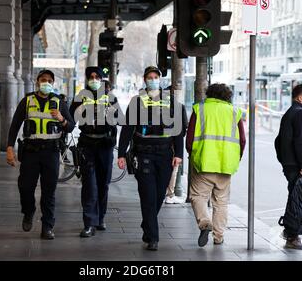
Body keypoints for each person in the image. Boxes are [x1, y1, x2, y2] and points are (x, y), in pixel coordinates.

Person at [118, 66, 187, 251]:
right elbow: (127, 129)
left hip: (165, 154)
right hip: (144, 154)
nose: (153, 80)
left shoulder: (171, 102)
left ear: (160, 79)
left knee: (158, 196)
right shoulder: (136, 101)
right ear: (144, 79)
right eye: (150, 77)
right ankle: (153, 238)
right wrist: (121, 154)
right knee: (148, 195)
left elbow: (178, 132)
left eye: (156, 77)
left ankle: (148, 225)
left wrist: (179, 155)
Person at [6, 69, 75, 240]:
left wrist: (62, 119)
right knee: (25, 187)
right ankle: (28, 211)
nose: (46, 83)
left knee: (49, 191)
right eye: (43, 80)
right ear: (37, 82)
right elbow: (15, 125)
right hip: (30, 151)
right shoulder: (27, 101)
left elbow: (71, 127)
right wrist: (9, 147)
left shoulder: (59, 102)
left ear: (53, 83)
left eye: (49, 81)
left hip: (51, 152)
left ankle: (47, 226)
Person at [186, 83, 246, 247]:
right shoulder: (235, 112)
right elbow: (242, 140)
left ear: (209, 94)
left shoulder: (200, 109)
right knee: (221, 202)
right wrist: (236, 158)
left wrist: (192, 154)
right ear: (228, 96)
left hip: (203, 162)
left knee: (198, 196)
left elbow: (190, 137)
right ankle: (218, 236)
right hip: (226, 164)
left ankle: (205, 222)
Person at [70, 67, 121, 237]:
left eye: (96, 77)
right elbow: (70, 119)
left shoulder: (110, 98)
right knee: (89, 185)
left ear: (101, 79)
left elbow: (120, 119)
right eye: (91, 77)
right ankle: (89, 223)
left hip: (105, 145)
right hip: (87, 144)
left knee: (102, 184)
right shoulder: (80, 97)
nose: (94, 79)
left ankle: (100, 217)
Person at [274, 84, 302, 250]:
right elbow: (300, 142)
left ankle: (290, 233)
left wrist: (284, 160)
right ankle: (292, 236)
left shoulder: (291, 112)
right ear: (300, 97)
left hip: (290, 164)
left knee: (294, 198)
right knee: (297, 201)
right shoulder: (300, 113)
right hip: (297, 166)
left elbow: (278, 141)